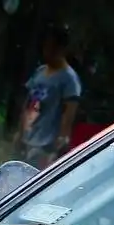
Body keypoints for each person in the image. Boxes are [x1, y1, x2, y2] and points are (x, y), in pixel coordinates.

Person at [16, 24, 83, 169]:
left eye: (51, 47)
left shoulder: (69, 78)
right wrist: (20, 132)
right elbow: (28, 103)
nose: (46, 51)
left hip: (46, 144)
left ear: (60, 49)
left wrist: (60, 141)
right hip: (29, 138)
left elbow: (69, 112)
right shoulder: (40, 71)